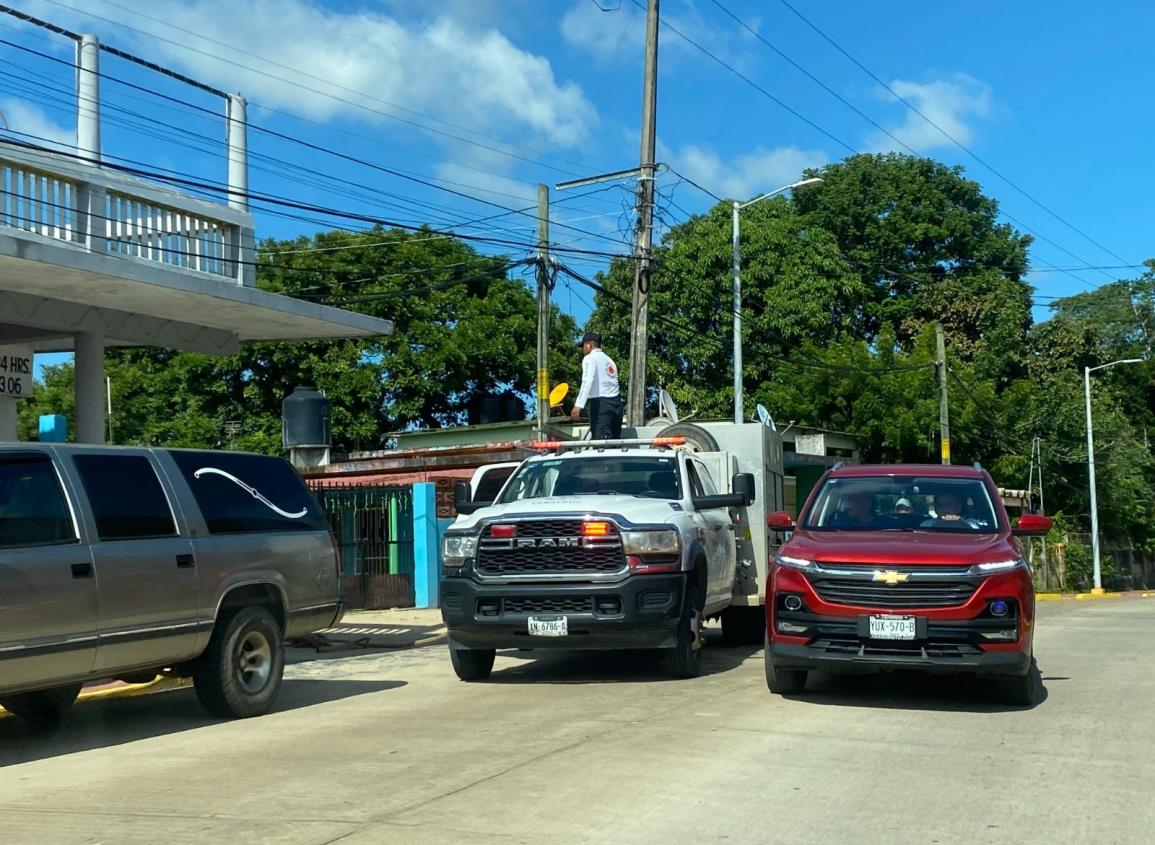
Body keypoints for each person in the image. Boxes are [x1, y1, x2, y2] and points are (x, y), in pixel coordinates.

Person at [571, 331, 622, 440]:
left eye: (583, 346)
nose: (582, 350)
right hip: (616, 404)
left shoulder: (590, 358)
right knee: (614, 443)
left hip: (600, 405)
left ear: (588, 345)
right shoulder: (609, 360)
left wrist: (578, 405)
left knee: (601, 446)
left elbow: (587, 381)